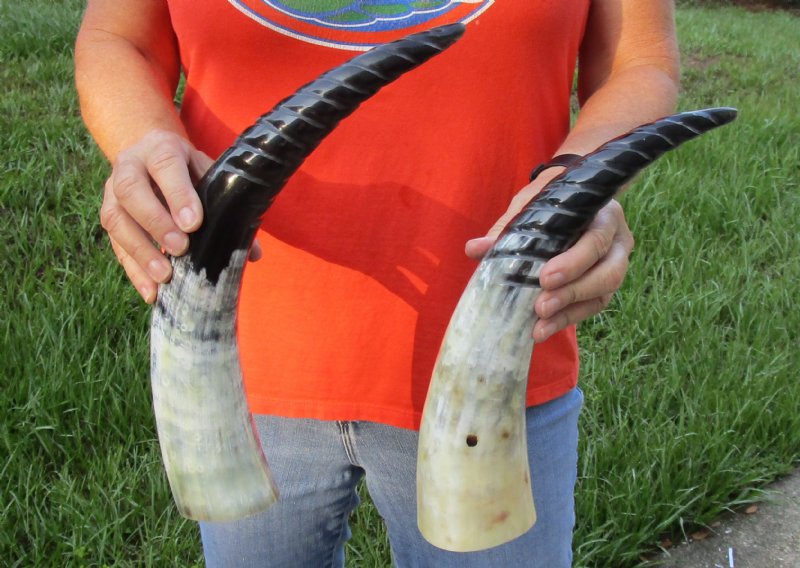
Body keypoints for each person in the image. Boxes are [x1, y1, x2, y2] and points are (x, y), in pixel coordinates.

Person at [75, 1, 679, 566]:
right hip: (233, 366)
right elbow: (118, 39)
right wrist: (144, 142)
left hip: (498, 365)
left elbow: (636, 60)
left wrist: (580, 181)